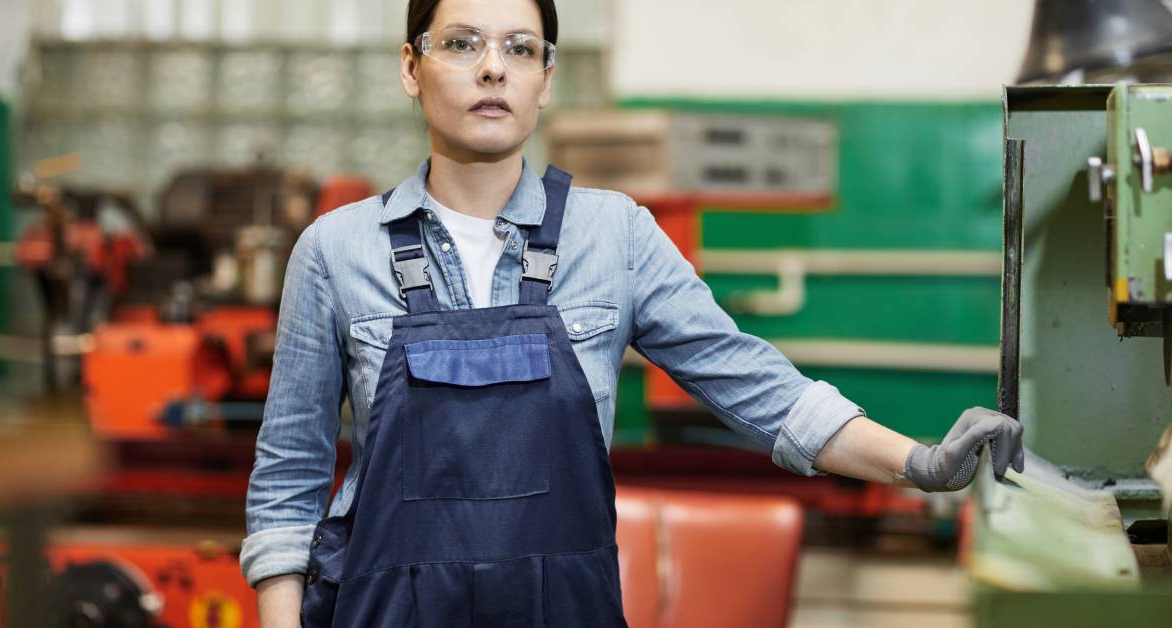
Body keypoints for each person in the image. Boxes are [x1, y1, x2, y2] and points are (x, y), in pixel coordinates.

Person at [240, 0, 1025, 625]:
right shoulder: (336, 251)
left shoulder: (613, 234)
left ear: (546, 79)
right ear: (411, 67)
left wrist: (916, 463)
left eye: (520, 49)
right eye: (462, 43)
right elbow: (288, 481)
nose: (492, 69)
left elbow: (759, 388)